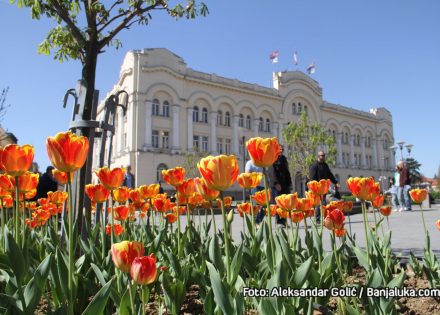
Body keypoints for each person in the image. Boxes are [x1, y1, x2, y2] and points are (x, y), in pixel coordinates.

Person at [309, 151, 340, 222]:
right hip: (317, 188)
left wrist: (336, 182)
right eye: (321, 155)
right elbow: (312, 178)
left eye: (323, 155)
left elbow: (330, 175)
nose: (322, 157)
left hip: (324, 188)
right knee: (318, 204)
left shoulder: (325, 165)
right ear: (318, 156)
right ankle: (317, 219)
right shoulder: (314, 166)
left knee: (323, 203)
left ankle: (324, 218)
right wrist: (313, 188)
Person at [245, 159, 278, 226]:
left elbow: (268, 175)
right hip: (255, 186)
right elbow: (247, 175)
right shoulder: (250, 163)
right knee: (255, 206)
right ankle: (255, 222)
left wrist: (270, 185)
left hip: (264, 187)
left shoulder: (263, 163)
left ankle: (257, 221)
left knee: (266, 205)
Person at [272, 145, 292, 227]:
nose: (281, 151)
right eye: (280, 149)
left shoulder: (284, 159)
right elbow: (272, 172)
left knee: (285, 204)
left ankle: (284, 221)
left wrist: (289, 183)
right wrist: (276, 183)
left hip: (285, 185)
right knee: (278, 204)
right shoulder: (273, 159)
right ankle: (279, 221)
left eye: (282, 149)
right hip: (277, 185)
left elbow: (287, 172)